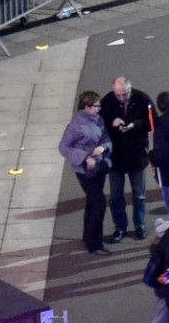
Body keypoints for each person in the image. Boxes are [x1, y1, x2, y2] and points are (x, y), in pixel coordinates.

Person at [99, 76, 153, 243]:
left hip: (137, 155)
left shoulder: (142, 99)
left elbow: (152, 123)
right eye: (119, 95)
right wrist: (111, 123)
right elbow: (99, 126)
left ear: (130, 89)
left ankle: (140, 225)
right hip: (115, 157)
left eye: (125, 94)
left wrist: (134, 125)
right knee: (116, 196)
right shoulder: (107, 101)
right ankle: (120, 227)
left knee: (139, 195)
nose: (122, 98)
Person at [59, 90, 112, 254]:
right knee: (99, 203)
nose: (98, 108)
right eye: (96, 106)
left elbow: (106, 138)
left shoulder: (98, 120)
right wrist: (84, 158)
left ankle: (88, 237)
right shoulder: (77, 126)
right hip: (85, 170)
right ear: (87, 107)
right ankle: (94, 243)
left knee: (92, 201)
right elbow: (64, 147)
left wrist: (103, 147)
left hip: (98, 165)